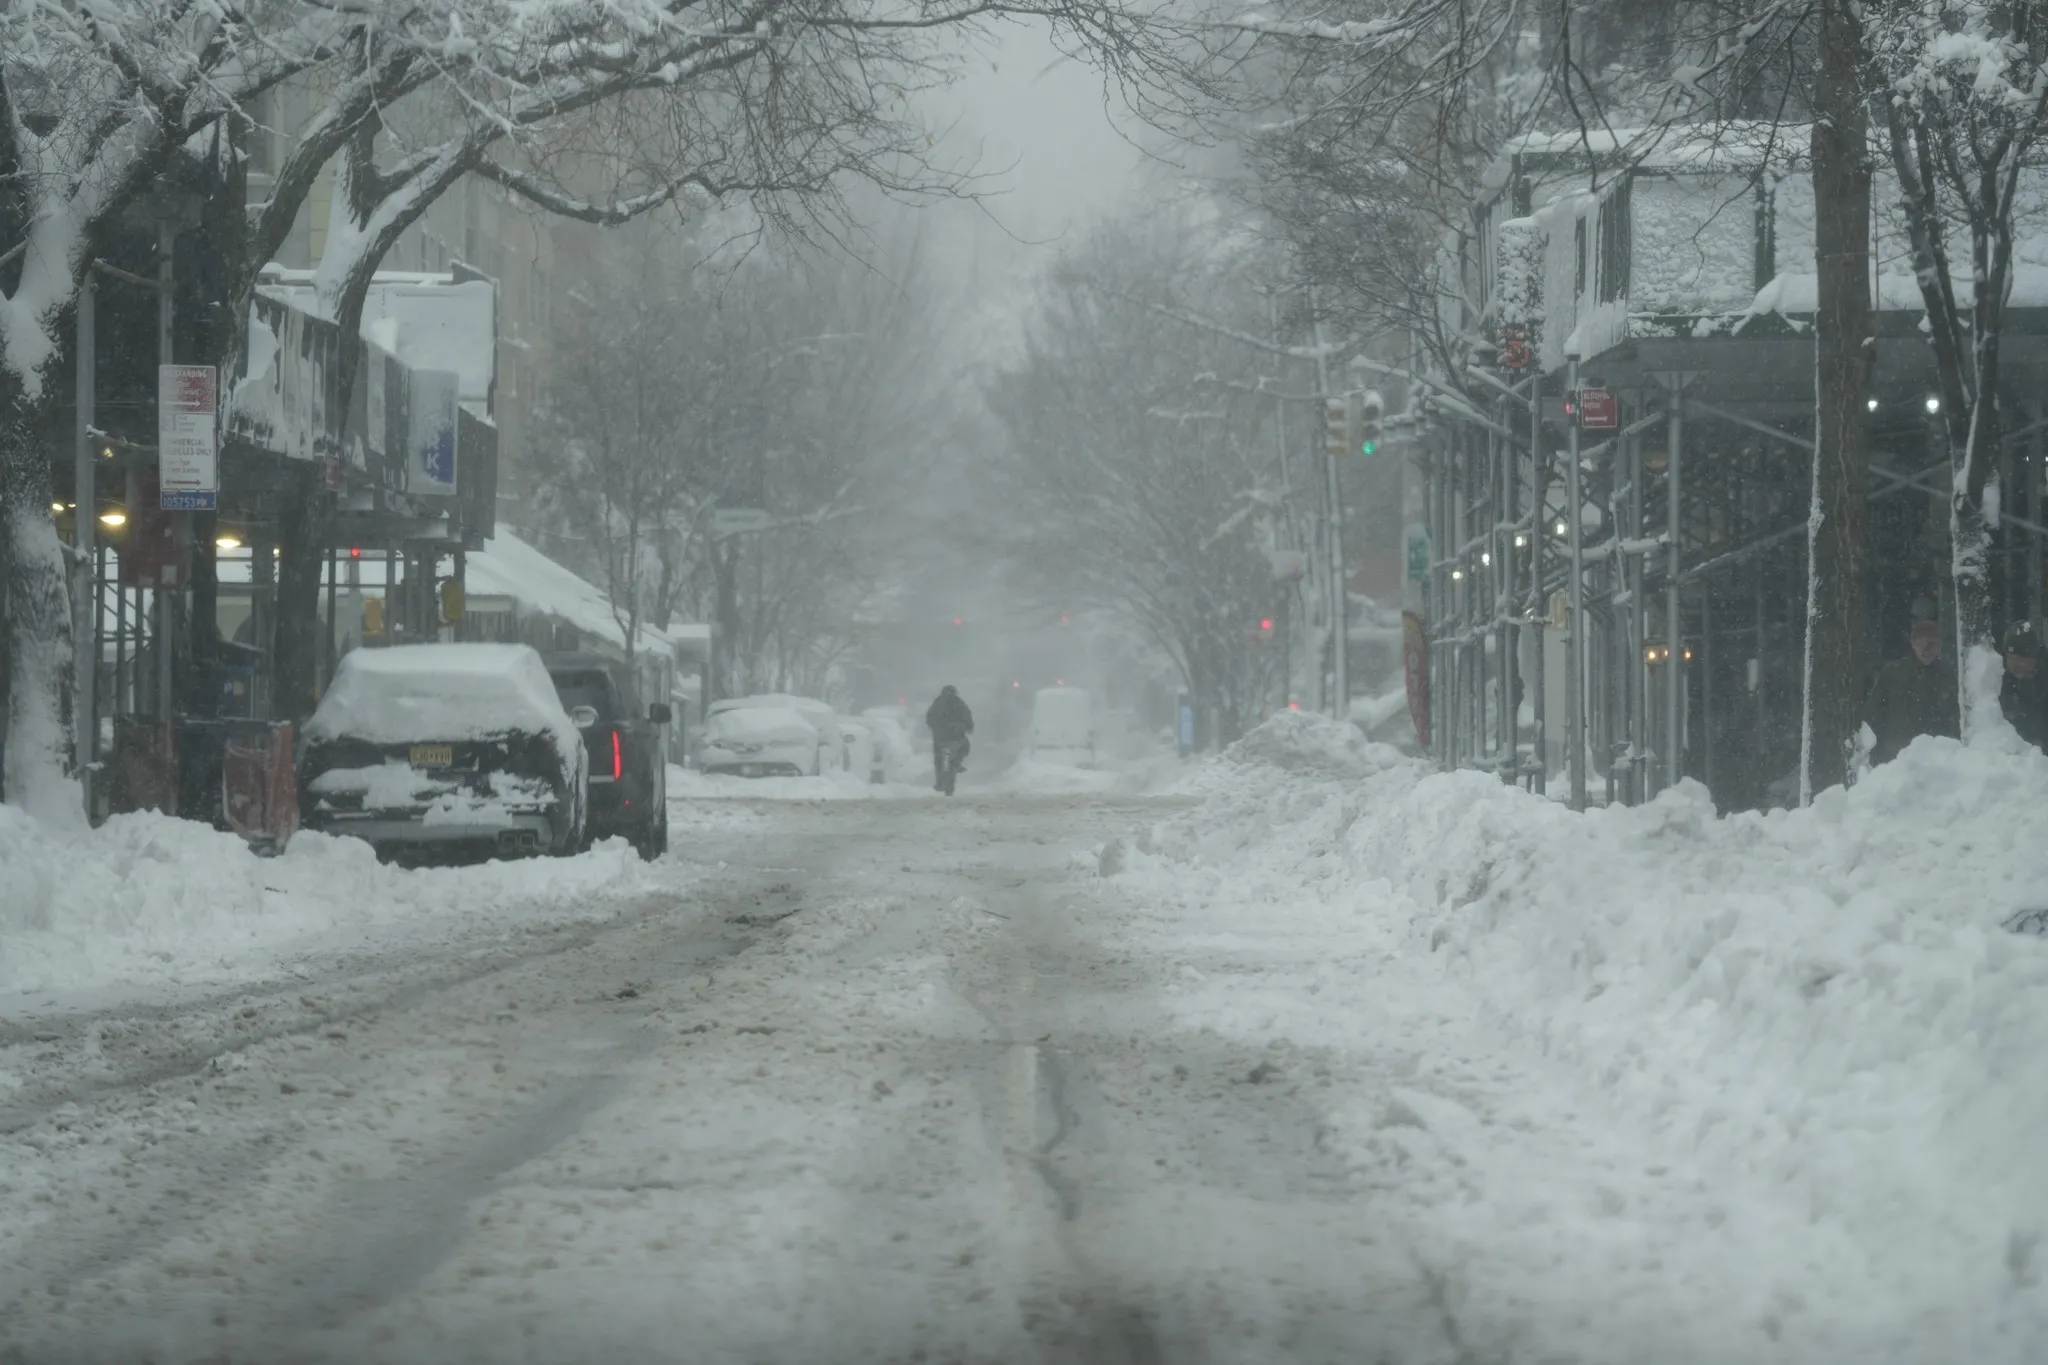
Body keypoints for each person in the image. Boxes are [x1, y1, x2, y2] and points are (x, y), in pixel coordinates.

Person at [1864, 608, 1959, 765]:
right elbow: (1873, 715)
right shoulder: (1892, 673)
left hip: (1937, 760)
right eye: (1921, 643)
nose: (1926, 649)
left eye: (1932, 644)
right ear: (1912, 643)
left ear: (1940, 645)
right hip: (1895, 758)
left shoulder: (1948, 677)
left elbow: (1954, 722)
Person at [2000, 620, 2048, 751]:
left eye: (2020, 659)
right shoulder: (2001, 681)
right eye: (2010, 657)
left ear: (2034, 657)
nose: (2014, 664)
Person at [925, 685, 974, 788]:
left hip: (940, 738)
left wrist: (937, 728)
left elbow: (929, 718)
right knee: (965, 748)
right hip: (956, 738)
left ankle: (939, 782)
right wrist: (967, 727)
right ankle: (956, 764)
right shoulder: (959, 703)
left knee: (938, 759)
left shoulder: (938, 703)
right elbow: (967, 716)